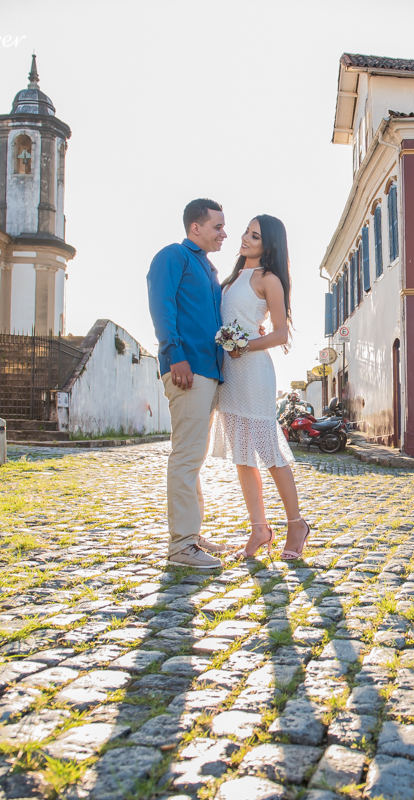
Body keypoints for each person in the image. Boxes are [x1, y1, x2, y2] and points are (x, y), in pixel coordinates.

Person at [209, 215, 312, 560]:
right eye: (246, 232)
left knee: (268, 451)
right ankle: (259, 529)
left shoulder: (269, 279)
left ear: (269, 245)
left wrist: (242, 346)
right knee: (242, 455)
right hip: (230, 374)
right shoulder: (232, 277)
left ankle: (296, 524)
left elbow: (281, 333)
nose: (245, 239)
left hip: (253, 371)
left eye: (255, 236)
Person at [146, 199, 232, 570]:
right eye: (217, 227)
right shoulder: (173, 257)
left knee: (194, 457)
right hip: (187, 368)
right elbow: (161, 304)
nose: (224, 233)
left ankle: (191, 536)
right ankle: (181, 545)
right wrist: (173, 352)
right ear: (195, 228)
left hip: (207, 371)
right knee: (186, 457)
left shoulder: (208, 268)